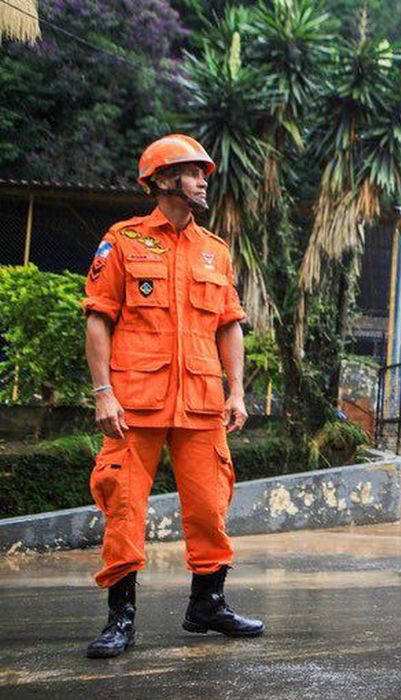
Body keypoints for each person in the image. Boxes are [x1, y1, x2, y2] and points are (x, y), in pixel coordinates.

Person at [82, 134, 264, 659]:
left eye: (205, 171)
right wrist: (103, 393)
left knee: (210, 507)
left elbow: (230, 326)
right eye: (193, 171)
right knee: (124, 507)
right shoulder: (123, 241)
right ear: (163, 180)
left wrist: (237, 392)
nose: (204, 179)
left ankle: (206, 604)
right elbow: (99, 319)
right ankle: (121, 617)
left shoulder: (216, 251)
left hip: (203, 403)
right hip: (133, 404)